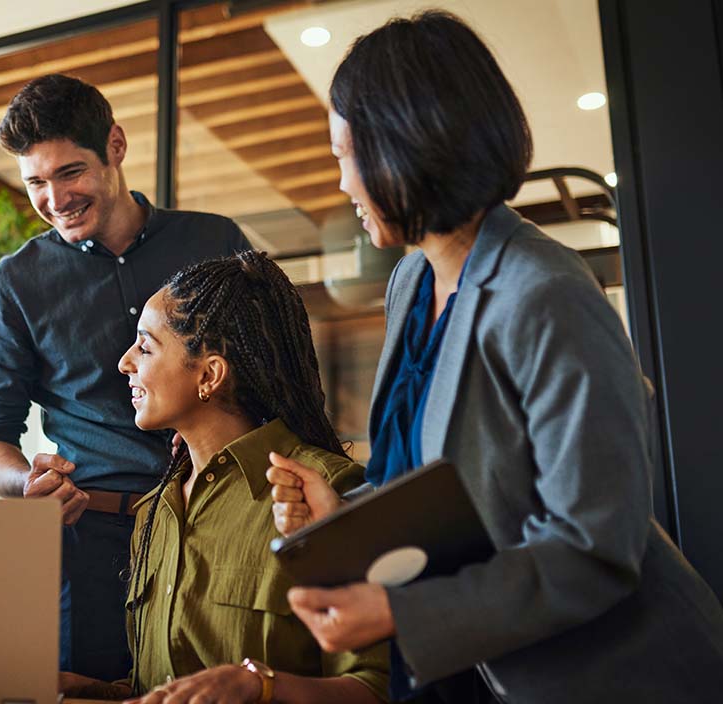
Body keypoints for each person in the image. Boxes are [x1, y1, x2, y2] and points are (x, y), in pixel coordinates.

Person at [266, 10, 723, 704]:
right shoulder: (411, 281)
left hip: (595, 678)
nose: (341, 186)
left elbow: (592, 546)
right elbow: (453, 481)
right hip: (457, 673)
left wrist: (400, 612)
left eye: (343, 155)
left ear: (406, 145)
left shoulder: (546, 293)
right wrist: (343, 513)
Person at [0, 73, 250, 680]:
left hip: (222, 523)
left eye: (70, 173)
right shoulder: (13, 286)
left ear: (115, 147)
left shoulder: (215, 241)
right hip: (92, 542)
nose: (55, 198)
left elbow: (268, 374)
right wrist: (25, 483)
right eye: (35, 182)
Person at [59, 251, 390, 703]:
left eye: (146, 346)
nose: (125, 362)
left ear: (210, 375)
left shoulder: (325, 491)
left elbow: (375, 688)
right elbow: (163, 688)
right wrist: (92, 691)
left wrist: (261, 686)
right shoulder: (155, 511)